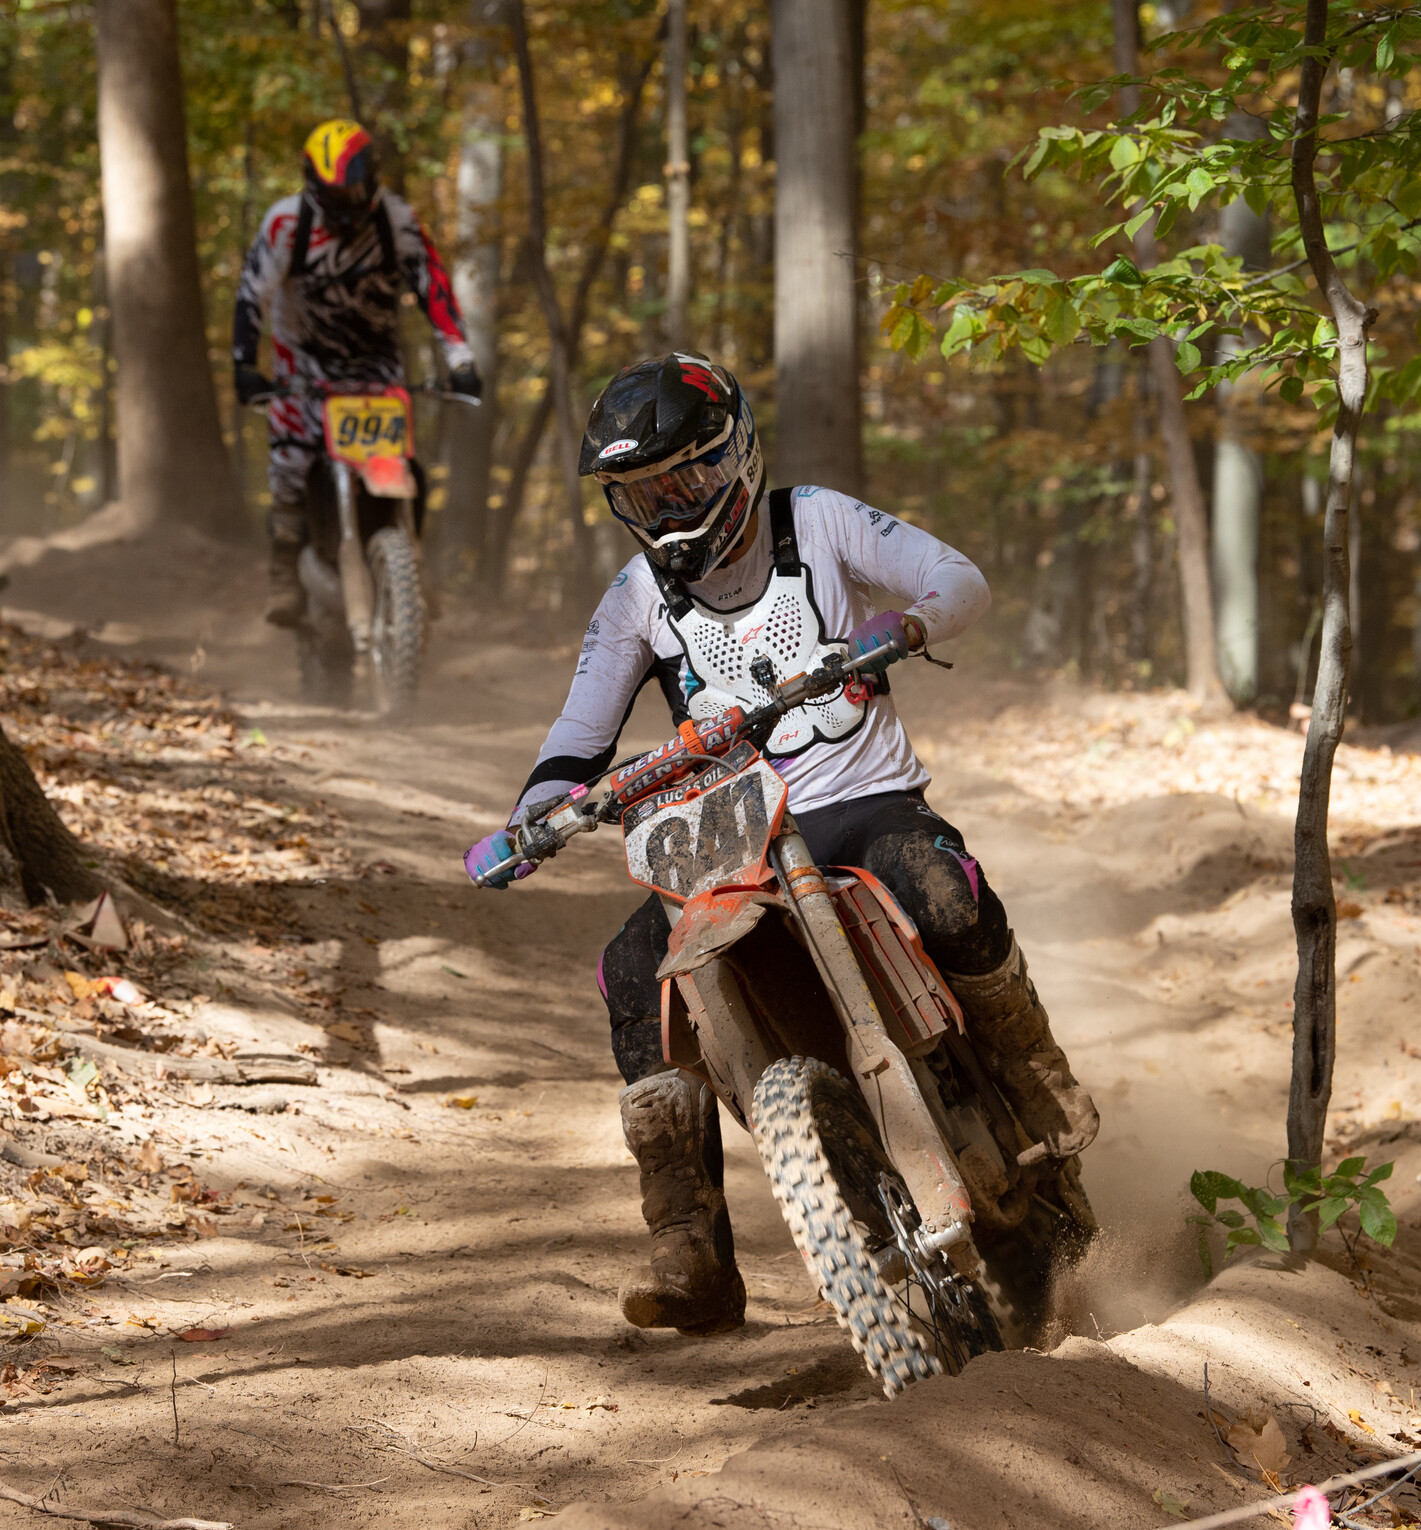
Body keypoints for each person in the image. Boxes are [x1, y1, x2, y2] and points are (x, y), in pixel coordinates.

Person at [460, 354, 1098, 1337]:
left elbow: (954, 574)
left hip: (862, 802)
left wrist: (909, 622)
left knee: (944, 893)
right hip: (729, 838)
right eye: (643, 490)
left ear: (738, 454)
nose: (672, 505)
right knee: (634, 970)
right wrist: (531, 821)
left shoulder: (819, 522)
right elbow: (577, 738)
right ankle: (692, 1251)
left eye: (688, 477)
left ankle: (1040, 1085)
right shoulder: (636, 597)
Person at [233, 118, 482, 628]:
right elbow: (252, 295)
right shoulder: (286, 224)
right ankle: (284, 573)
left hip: (376, 372)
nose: (347, 202)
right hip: (301, 370)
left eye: (354, 189)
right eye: (334, 193)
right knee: (291, 470)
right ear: (313, 185)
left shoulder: (396, 221)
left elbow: (433, 287)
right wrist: (243, 365)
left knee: (407, 471)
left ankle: (409, 570)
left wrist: (460, 361)